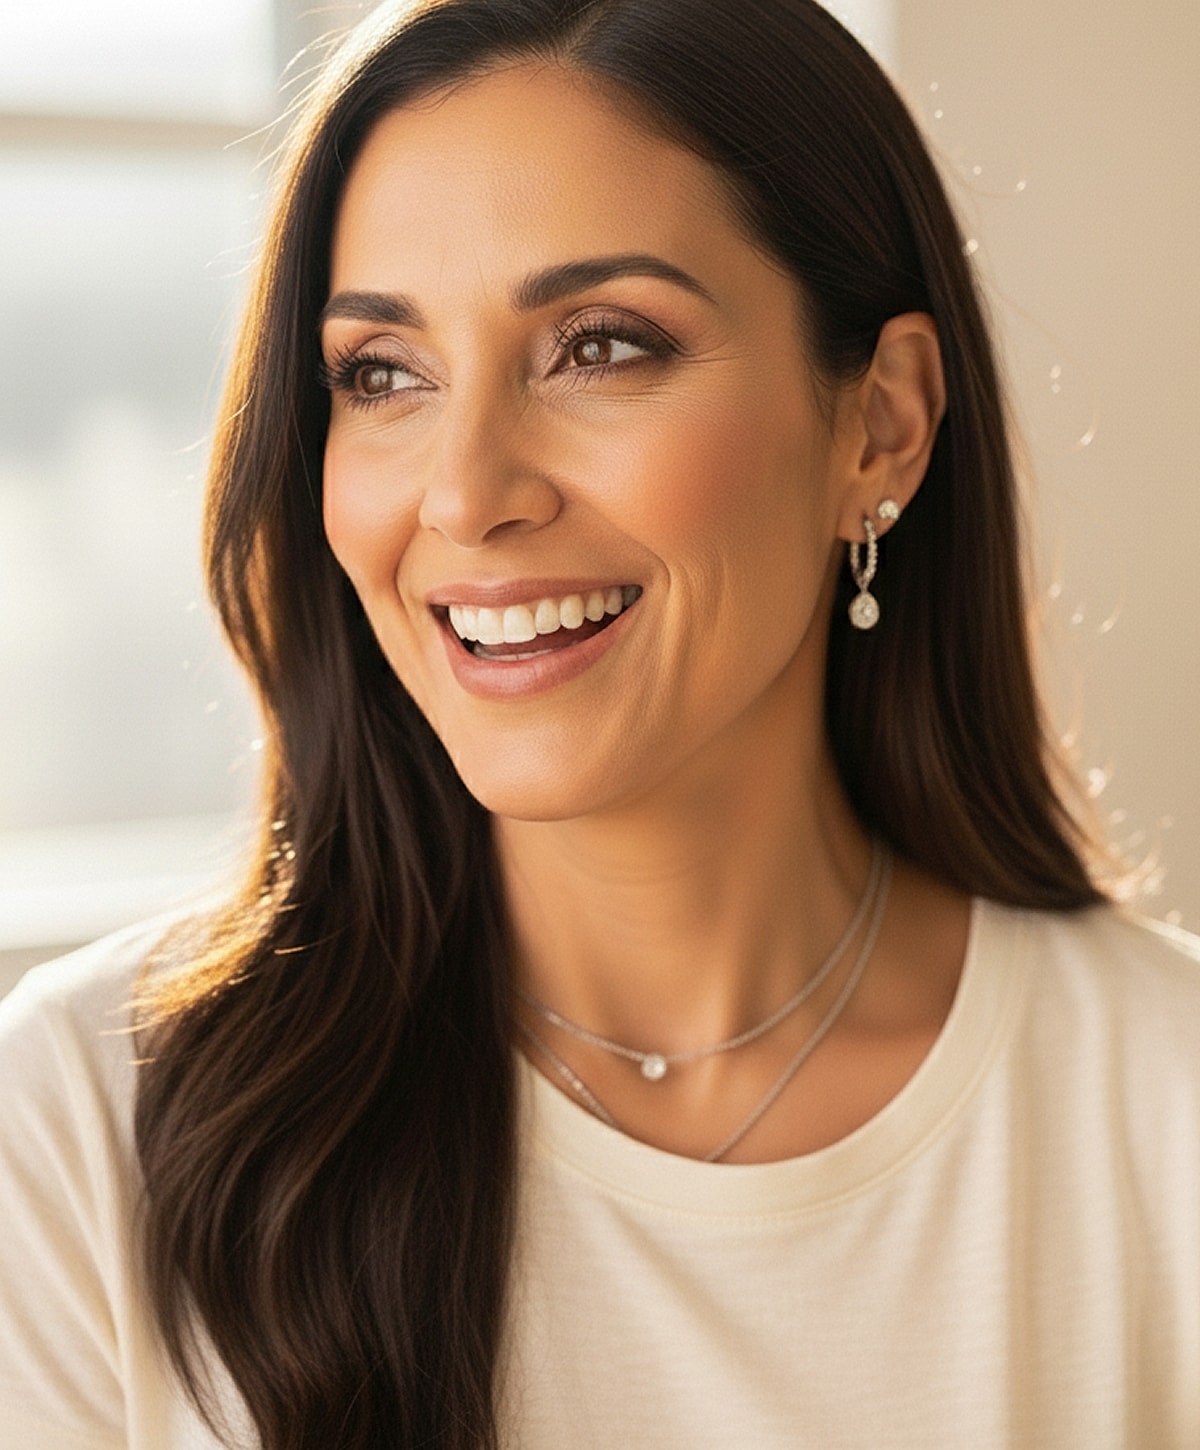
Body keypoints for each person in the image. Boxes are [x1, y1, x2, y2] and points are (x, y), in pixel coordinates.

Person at [1, 0, 1197, 1445]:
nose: (465, 491)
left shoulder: (1163, 1103)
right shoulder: (78, 1134)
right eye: (382, 372)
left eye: (602, 347)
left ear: (880, 423)